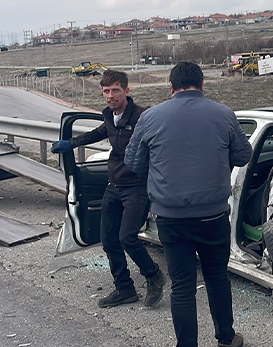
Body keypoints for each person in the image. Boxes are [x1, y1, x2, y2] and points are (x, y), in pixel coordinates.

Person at [125, 62, 251, 347]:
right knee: (217, 277)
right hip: (213, 216)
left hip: (170, 218)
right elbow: (243, 155)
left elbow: (133, 163)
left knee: (182, 286)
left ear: (171, 87)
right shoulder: (224, 114)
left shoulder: (150, 117)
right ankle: (226, 338)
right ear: (202, 85)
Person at [51, 70, 165, 309]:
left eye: (115, 90)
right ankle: (124, 288)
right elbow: (100, 132)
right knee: (109, 240)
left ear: (126, 90)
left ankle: (153, 275)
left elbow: (159, 147)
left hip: (136, 187)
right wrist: (70, 143)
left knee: (127, 238)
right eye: (106, 91)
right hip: (114, 185)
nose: (110, 95)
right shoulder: (109, 116)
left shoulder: (142, 117)